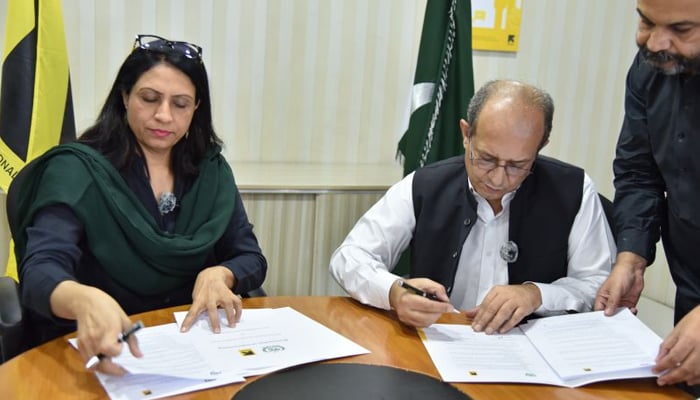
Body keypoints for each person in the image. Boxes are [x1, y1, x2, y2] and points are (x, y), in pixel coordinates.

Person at [13, 34, 267, 375]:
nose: (163, 115)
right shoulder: (77, 169)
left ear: (196, 109)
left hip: (193, 346)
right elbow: (41, 271)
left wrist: (222, 272)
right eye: (149, 99)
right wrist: (84, 300)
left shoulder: (211, 171)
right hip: (99, 347)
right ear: (124, 96)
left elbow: (250, 256)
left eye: (180, 104)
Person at [330, 79, 615, 334]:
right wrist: (394, 291)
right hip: (443, 340)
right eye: (486, 158)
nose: (498, 178)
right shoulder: (425, 185)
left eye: (518, 165)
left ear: (540, 147)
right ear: (466, 134)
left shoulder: (575, 189)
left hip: (536, 348)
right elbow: (349, 257)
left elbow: (596, 284)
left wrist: (536, 295)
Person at [594, 0, 700, 392]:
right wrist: (632, 256)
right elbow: (640, 172)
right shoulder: (650, 69)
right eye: (645, 21)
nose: (655, 43)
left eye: (682, 30)